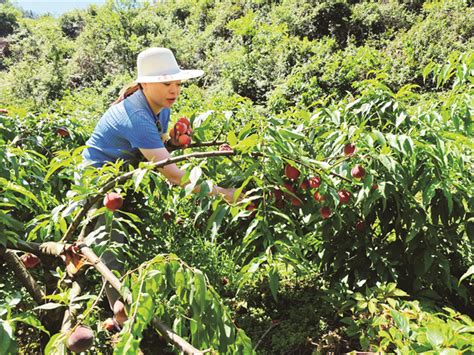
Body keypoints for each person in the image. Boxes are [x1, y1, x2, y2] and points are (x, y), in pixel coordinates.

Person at [80, 47, 238, 328]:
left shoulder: (161, 110)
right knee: (110, 245)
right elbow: (174, 176)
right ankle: (120, 321)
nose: (174, 89)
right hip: (98, 183)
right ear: (145, 84)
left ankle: (127, 305)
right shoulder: (137, 116)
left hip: (127, 179)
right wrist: (225, 195)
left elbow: (156, 151)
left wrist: (174, 144)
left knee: (130, 237)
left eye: (177, 83)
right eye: (167, 83)